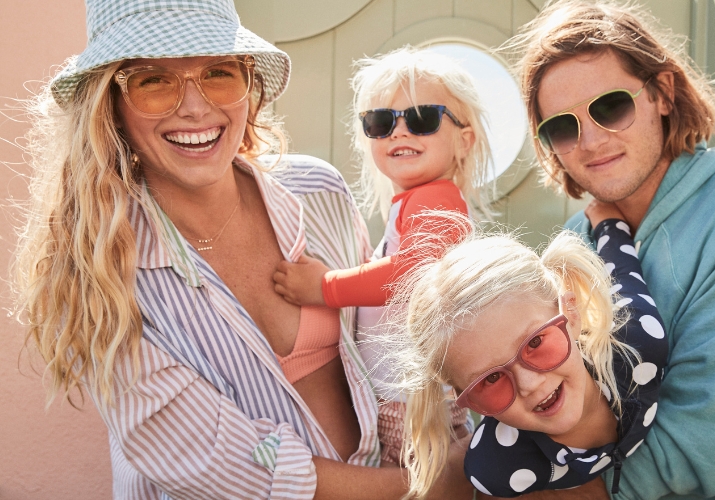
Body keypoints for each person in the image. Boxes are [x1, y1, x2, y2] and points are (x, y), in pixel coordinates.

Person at [11, 0, 469, 498]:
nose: (195, 107)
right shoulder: (98, 269)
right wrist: (420, 486)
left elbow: (376, 346)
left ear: (250, 88)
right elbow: (220, 464)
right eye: (153, 80)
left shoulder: (319, 191)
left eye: (219, 73)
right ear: (110, 106)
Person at [505, 1, 715, 498]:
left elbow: (703, 451)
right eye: (562, 127)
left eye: (611, 106)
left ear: (663, 95)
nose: (590, 141)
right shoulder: (573, 243)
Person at [271, 47, 492, 464]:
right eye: (381, 122)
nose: (399, 132)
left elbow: (413, 272)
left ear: (464, 140)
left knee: (422, 482)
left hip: (417, 401)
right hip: (404, 394)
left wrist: (323, 285)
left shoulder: (438, 200)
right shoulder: (416, 203)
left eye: (423, 118)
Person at [381, 221, 667, 499]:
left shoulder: (639, 345)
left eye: (536, 342)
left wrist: (607, 222)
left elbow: (622, 272)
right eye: (491, 378)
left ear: (572, 314)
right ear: (465, 398)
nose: (529, 384)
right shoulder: (497, 467)